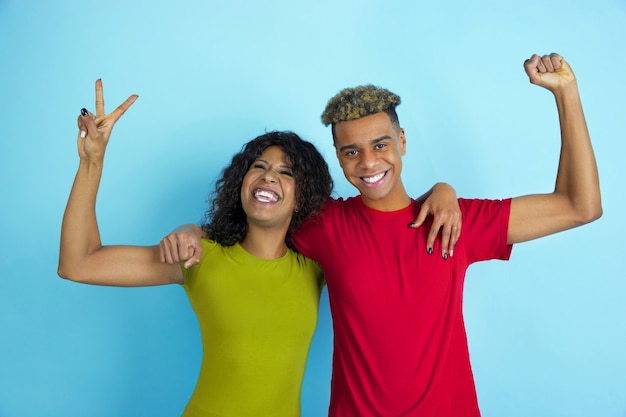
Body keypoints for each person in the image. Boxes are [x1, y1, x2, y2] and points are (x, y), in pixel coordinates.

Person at [164, 53, 602, 416]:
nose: (369, 163)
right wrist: (191, 231)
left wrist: (566, 94)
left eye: (380, 145)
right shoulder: (323, 224)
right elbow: (256, 215)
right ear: (338, 157)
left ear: (402, 140)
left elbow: (579, 206)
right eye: (351, 151)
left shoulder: (454, 220)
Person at [57, 81, 461, 416]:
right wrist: (91, 163)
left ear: (303, 197)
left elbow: (385, 217)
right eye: (260, 167)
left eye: (286, 173)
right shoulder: (198, 256)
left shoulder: (317, 266)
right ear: (241, 182)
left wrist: (442, 191)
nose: (269, 178)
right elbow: (79, 264)